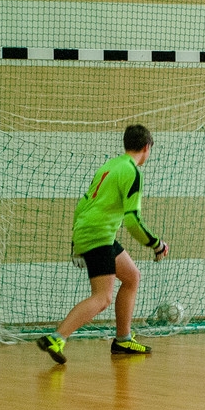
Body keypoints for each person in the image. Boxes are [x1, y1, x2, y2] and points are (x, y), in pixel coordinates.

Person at [37, 124, 169, 364]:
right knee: (102, 297)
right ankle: (57, 337)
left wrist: (75, 242)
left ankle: (123, 339)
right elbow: (132, 220)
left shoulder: (110, 166)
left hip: (92, 232)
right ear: (146, 147)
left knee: (132, 277)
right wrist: (156, 244)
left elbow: (83, 204)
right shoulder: (132, 171)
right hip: (99, 235)